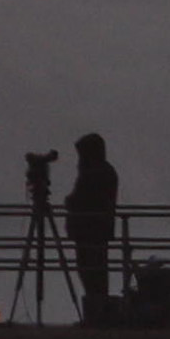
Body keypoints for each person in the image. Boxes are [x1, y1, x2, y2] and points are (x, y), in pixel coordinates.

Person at [66, 131, 122, 320]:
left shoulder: (94, 173)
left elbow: (80, 199)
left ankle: (96, 314)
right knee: (95, 272)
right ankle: (97, 314)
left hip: (90, 230)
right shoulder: (104, 171)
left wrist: (70, 202)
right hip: (95, 230)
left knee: (91, 273)